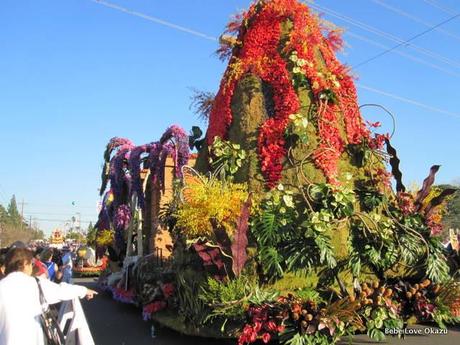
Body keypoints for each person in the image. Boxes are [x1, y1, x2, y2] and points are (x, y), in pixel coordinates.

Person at [0, 248, 97, 345]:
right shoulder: (36, 284)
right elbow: (61, 290)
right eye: (31, 264)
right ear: (25, 264)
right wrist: (84, 290)